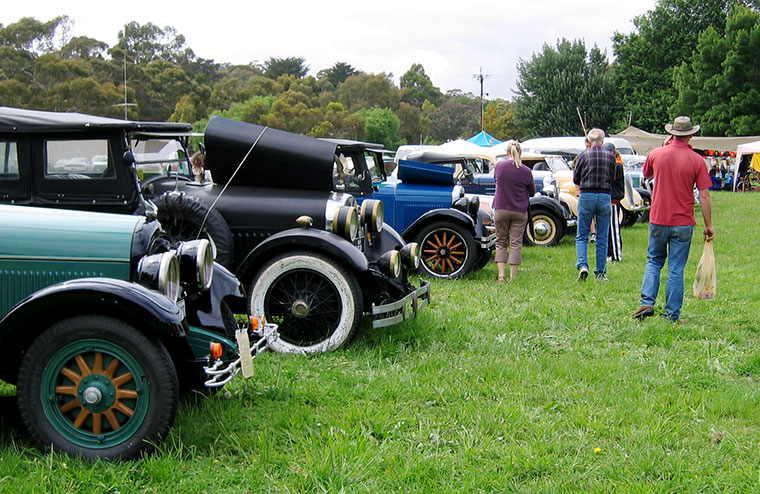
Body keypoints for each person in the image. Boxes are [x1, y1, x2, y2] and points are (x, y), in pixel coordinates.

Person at [633, 116, 715, 322]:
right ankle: (671, 314)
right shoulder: (697, 160)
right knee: (676, 269)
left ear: (671, 133)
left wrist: (664, 148)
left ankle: (647, 302)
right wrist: (708, 225)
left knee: (653, 261)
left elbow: (647, 173)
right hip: (683, 221)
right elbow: (704, 195)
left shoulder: (656, 154)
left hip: (658, 218)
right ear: (691, 135)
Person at [573, 128, 615, 281]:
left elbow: (576, 178)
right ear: (602, 141)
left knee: (582, 235)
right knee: (602, 236)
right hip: (604, 196)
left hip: (587, 195)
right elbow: (612, 177)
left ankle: (583, 265)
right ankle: (601, 272)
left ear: (589, 141)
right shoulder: (610, 157)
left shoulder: (583, 156)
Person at [492, 140, 535, 282]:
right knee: (516, 243)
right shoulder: (526, 171)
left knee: (501, 241)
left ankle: (501, 275)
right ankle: (513, 276)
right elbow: (532, 192)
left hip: (501, 208)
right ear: (520, 152)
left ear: (507, 153)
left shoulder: (499, 167)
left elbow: (496, 182)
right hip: (519, 210)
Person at [606, 144, 625, 262]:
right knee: (607, 229)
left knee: (614, 228)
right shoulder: (613, 164)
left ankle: (617, 255)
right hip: (607, 199)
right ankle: (609, 253)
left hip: (613, 200)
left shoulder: (617, 165)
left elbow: (609, 178)